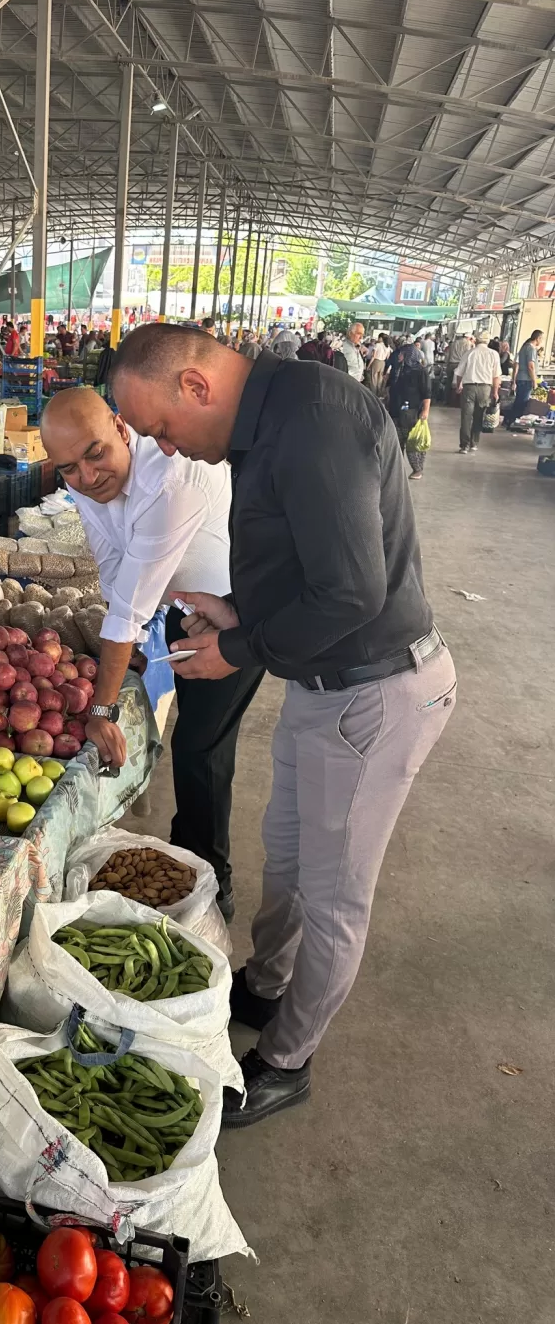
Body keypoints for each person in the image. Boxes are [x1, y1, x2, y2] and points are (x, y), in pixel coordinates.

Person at [110, 324, 456, 1126]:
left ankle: (286, 1059)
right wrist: (239, 612)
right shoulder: (271, 423)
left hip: (376, 692)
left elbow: (351, 594)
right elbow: (311, 570)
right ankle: (265, 986)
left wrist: (239, 647)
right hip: (323, 684)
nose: (170, 447)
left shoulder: (313, 420)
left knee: (335, 896)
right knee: (291, 855)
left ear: (196, 386)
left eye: (162, 427)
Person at [40, 387, 263, 920]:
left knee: (201, 749)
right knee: (193, 744)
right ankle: (189, 857)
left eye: (95, 453)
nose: (88, 477)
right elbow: (117, 572)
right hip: (185, 605)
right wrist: (133, 648)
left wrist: (101, 707)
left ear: (121, 428)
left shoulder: (168, 478)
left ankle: (213, 880)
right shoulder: (88, 489)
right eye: (69, 469)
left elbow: (130, 607)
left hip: (235, 610)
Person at [386, 343, 432, 479]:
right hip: (395, 410)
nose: (399, 356)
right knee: (395, 442)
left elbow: (426, 393)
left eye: (402, 353)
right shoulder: (398, 370)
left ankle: (417, 469)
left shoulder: (420, 371)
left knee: (412, 442)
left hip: (411, 411)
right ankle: (396, 471)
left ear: (408, 355)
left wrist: (425, 411)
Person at [453, 332, 501, 454]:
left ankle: (464, 446)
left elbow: (459, 372)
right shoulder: (493, 354)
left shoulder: (469, 353)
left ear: (476, 341)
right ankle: (474, 443)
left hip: (469, 387)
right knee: (479, 416)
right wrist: (495, 392)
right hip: (485, 388)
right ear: (488, 341)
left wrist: (459, 385)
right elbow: (496, 376)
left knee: (466, 417)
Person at [504, 328, 542, 429]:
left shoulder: (525, 347)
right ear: (538, 338)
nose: (541, 341)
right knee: (522, 403)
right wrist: (534, 381)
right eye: (541, 339)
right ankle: (514, 423)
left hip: (522, 379)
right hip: (526, 380)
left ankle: (509, 421)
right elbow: (531, 366)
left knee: (518, 402)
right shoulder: (530, 348)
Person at [367, 332, 391, 396]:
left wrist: (368, 366)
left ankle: (373, 394)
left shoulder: (377, 345)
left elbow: (373, 356)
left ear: (381, 338)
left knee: (373, 378)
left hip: (376, 362)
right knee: (380, 379)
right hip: (383, 363)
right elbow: (388, 357)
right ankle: (379, 393)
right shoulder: (388, 346)